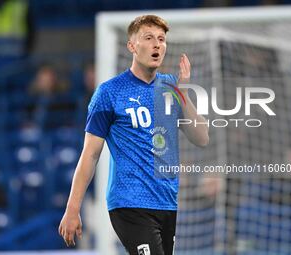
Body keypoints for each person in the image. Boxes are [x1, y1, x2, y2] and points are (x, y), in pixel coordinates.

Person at [58, 15, 209, 254]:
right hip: (129, 203)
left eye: (161, 39)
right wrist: (72, 208)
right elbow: (90, 154)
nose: (157, 44)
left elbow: (201, 137)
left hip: (167, 202)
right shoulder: (109, 93)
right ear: (131, 46)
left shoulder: (171, 87)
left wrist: (184, 93)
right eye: (148, 38)